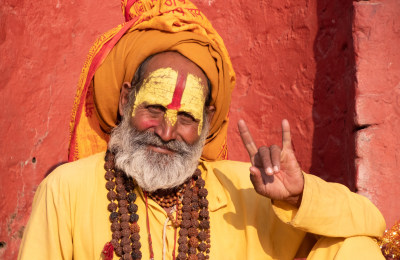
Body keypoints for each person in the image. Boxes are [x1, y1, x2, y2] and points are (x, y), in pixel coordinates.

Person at [18, 0, 386, 259]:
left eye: (186, 118)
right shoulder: (67, 190)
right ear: (125, 101)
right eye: (154, 109)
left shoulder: (248, 190)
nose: (165, 131)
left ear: (207, 121)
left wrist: (296, 194)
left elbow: (372, 222)